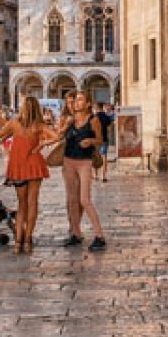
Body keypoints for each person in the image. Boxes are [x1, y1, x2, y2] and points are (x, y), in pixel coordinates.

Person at [0, 97, 55, 253]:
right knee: (33, 203)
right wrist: (41, 145)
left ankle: (18, 242)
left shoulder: (14, 123)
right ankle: (28, 240)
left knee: (22, 205)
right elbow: (56, 137)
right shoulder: (39, 125)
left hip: (18, 165)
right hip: (34, 164)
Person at [60, 90, 107, 251]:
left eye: (80, 100)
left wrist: (91, 140)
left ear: (87, 104)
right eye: (76, 100)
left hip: (84, 162)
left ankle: (99, 236)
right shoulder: (70, 120)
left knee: (84, 199)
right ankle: (75, 233)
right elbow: (58, 136)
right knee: (72, 200)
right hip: (68, 161)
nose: (76, 102)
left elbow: (100, 140)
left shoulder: (93, 120)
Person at [93, 102, 114, 182]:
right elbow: (109, 129)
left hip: (95, 140)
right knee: (104, 157)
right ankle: (104, 176)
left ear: (96, 107)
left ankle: (95, 174)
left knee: (95, 156)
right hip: (104, 139)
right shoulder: (107, 117)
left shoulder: (94, 117)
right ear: (102, 107)